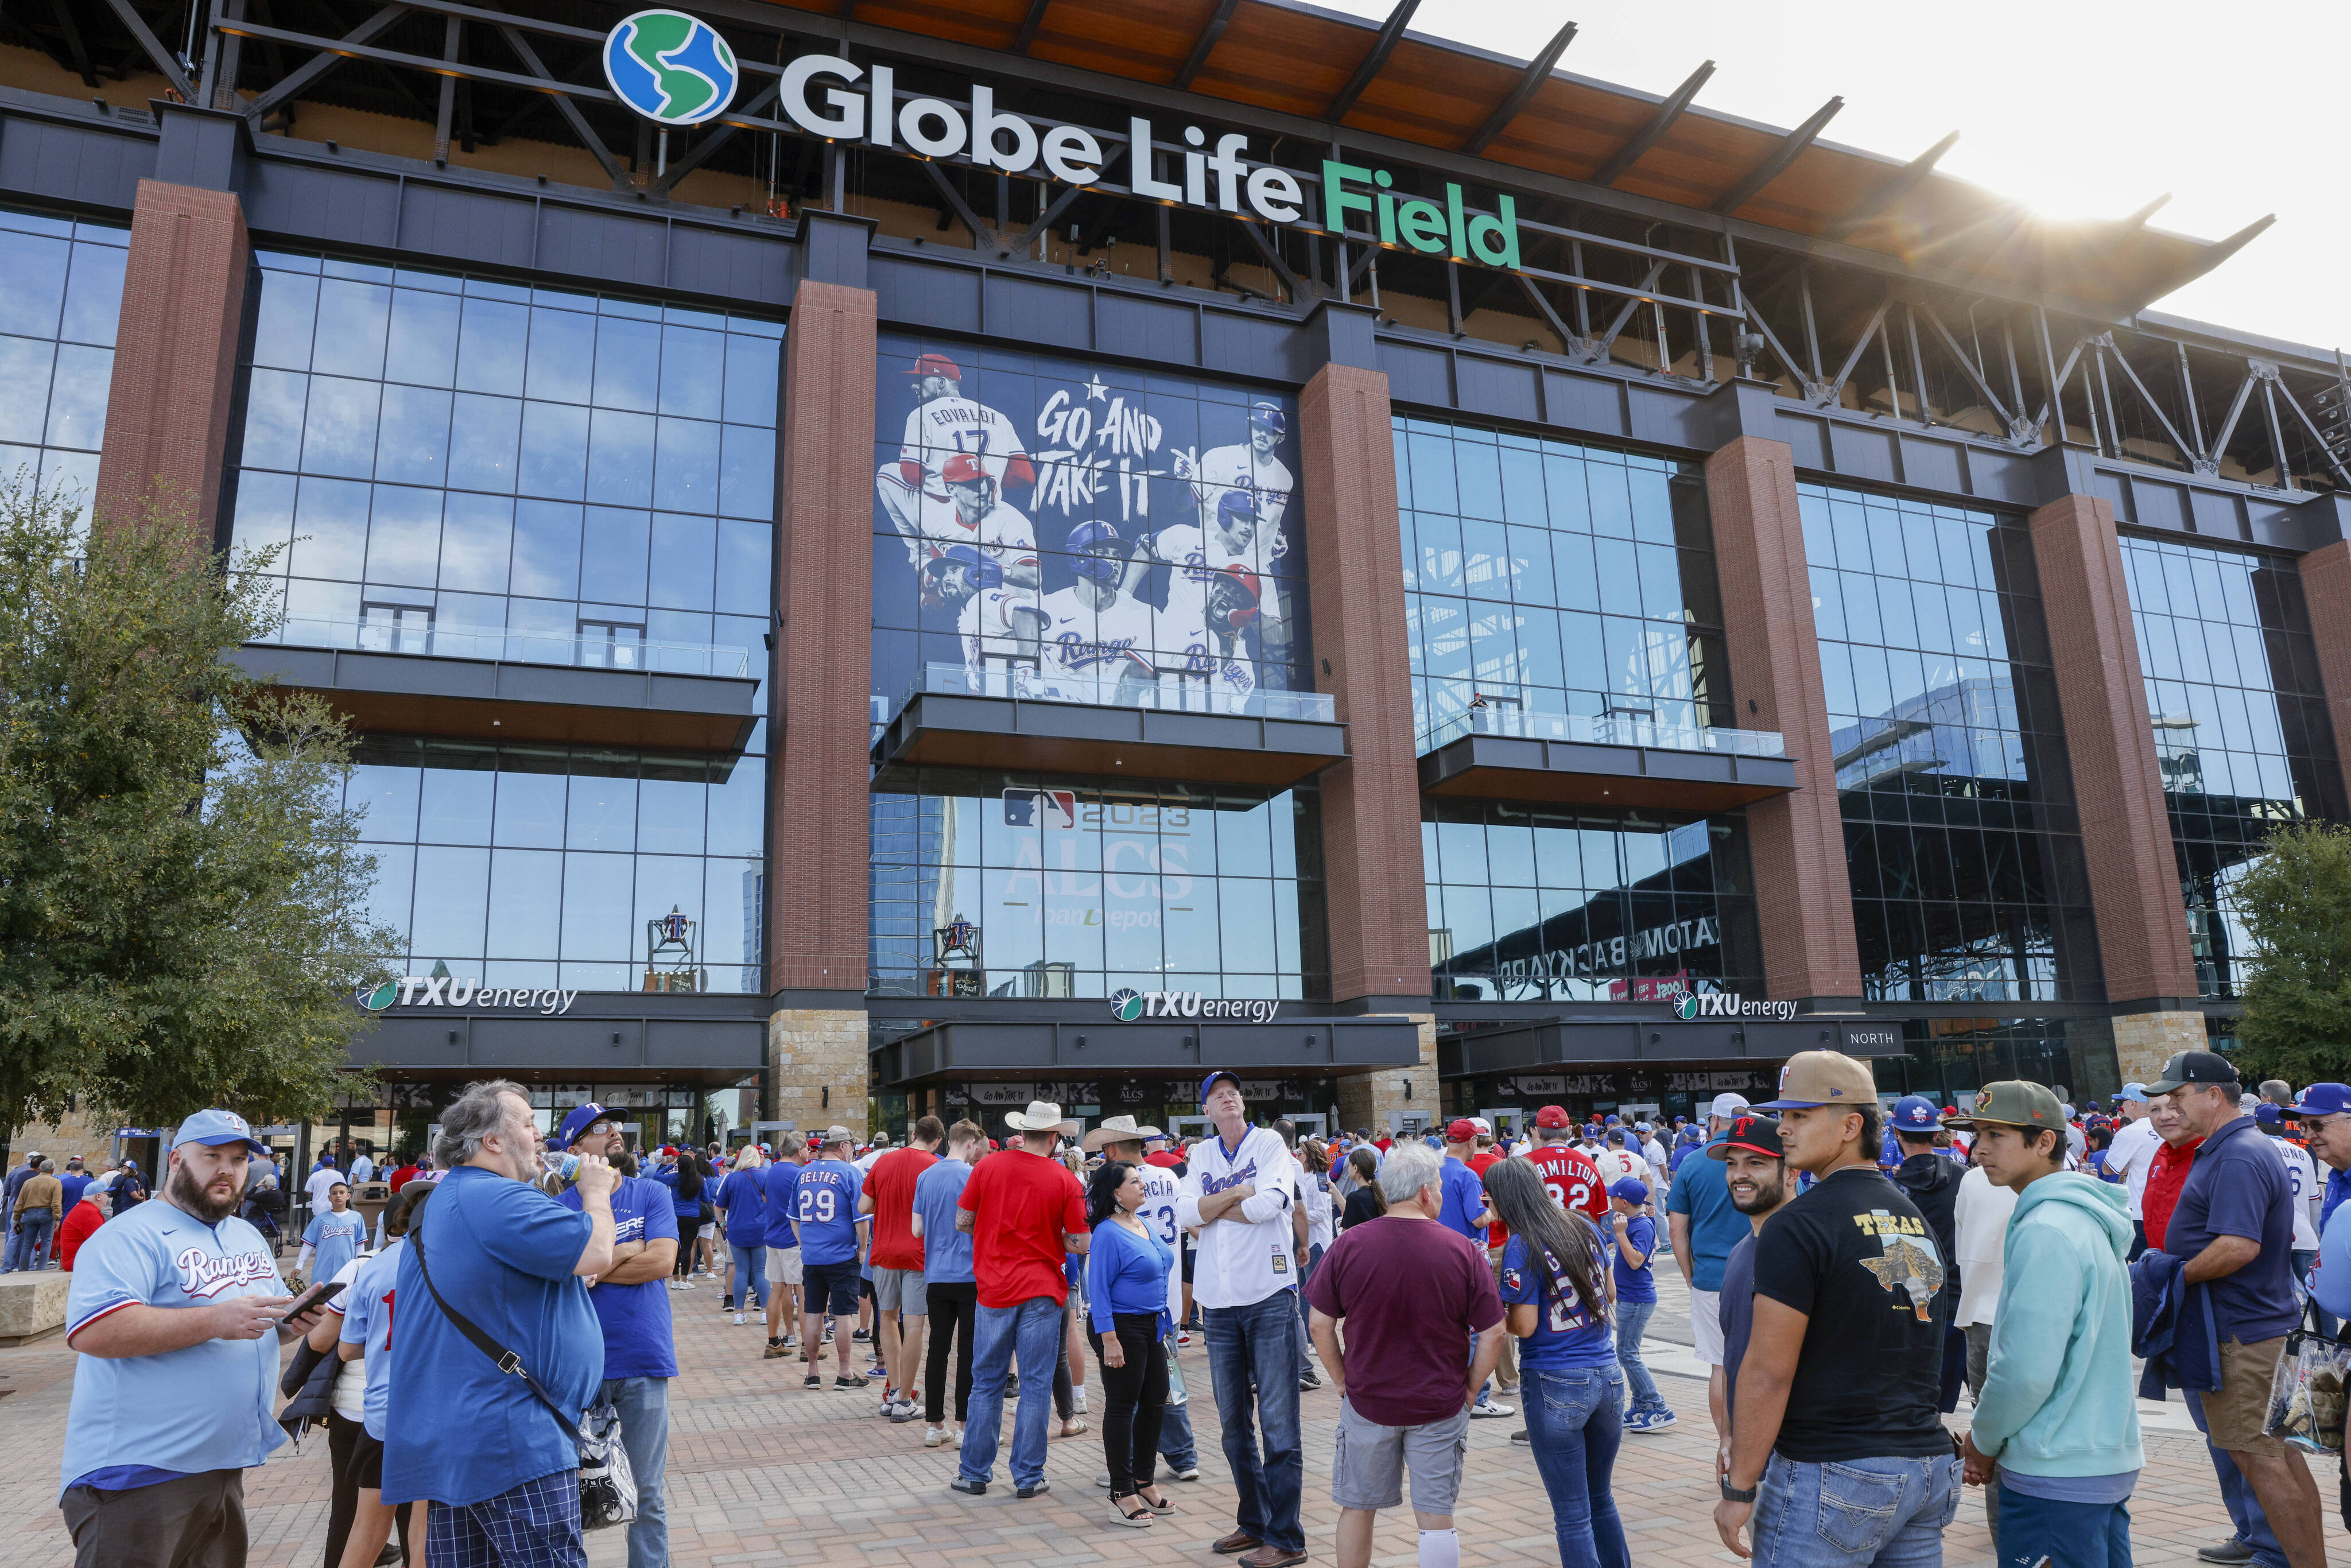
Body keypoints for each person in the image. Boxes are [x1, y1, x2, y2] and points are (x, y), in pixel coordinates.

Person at [57, 1110, 334, 1567]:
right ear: (176, 1160)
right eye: (212, 1156)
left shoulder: (245, 1234)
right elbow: (94, 1330)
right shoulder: (128, 1236)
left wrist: (291, 1324)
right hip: (138, 1475)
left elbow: (246, 1325)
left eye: (239, 1159)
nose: (227, 1169)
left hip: (222, 1467)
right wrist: (215, 1321)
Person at [1713, 1052, 1956, 1566]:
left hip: (1836, 1467)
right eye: (1783, 1115)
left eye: (1799, 1116)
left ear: (1851, 1125)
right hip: (1924, 1463)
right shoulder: (1910, 1215)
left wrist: (1739, 1489)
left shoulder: (1797, 1224)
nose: (1783, 1129)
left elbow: (1767, 1370)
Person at [382, 1080, 618, 1567]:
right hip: (513, 1442)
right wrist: (596, 1194)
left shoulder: (453, 1200)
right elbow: (598, 1250)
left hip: (466, 1441)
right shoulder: (496, 1199)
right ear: (492, 1141)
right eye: (529, 1124)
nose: (541, 1136)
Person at [2144, 1050, 2326, 1568]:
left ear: (2213, 1095)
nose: (2171, 1106)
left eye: (2178, 1095)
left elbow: (2238, 1247)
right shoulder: (2234, 1147)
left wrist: (2169, 1277)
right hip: (2256, 1329)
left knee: (2266, 1463)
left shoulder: (2238, 1154)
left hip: (2243, 1335)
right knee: (2283, 1460)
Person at [1948, 1082, 2142, 1568]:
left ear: (2045, 1142)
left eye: (1997, 1134)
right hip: (2095, 1456)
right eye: (1977, 1133)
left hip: (2057, 1466)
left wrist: (1982, 1440)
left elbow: (2025, 1370)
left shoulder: (2046, 1228)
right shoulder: (2077, 1217)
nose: (1981, 1148)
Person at [1308, 1143, 1506, 1568]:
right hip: (1440, 1400)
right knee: (1437, 1516)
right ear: (1424, 1192)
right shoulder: (1462, 1251)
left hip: (1368, 1400)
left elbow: (1319, 1325)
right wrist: (1471, 1391)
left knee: (1358, 1507)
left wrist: (1343, 1380)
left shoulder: (1349, 1246)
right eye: (1436, 1185)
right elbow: (1494, 1333)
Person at [1177, 1070, 1308, 1567]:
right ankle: (1254, 1522)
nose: (1227, 1100)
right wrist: (1235, 1194)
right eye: (1217, 1097)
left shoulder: (1271, 1142)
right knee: (1233, 1426)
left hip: (1269, 1295)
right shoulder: (1202, 1155)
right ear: (1207, 1112)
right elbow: (1187, 1212)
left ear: (1243, 1104)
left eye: (1233, 1094)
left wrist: (1214, 1207)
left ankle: (1287, 1536)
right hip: (1219, 1302)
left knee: (1279, 1425)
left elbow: (1271, 1204)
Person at [552, 1103, 679, 1568]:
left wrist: (598, 1264)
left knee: (648, 1495)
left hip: (644, 1360)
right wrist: (629, 1250)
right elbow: (565, 1276)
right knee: (569, 1494)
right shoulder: (561, 1208)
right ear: (576, 1148)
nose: (615, 1133)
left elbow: (663, 1262)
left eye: (615, 1125)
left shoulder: (651, 1194)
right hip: (579, 1368)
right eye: (600, 1129)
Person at [1483, 1154, 1624, 1568]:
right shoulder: (1585, 1226)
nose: (1485, 1203)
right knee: (1601, 1498)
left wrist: (1489, 1311)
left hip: (1555, 1377)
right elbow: (1611, 1293)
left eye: (1489, 1197)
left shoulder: (1522, 1242)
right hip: (1608, 1375)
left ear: (1507, 1198)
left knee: (1572, 1513)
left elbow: (1524, 1326)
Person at [952, 1100, 1089, 1501]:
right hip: (1043, 1289)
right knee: (1035, 1384)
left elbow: (962, 1221)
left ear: (1024, 1132)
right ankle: (1028, 1476)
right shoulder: (1066, 1180)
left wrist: (994, 1226)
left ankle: (974, 1472)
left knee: (987, 1381)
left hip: (994, 1287)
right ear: (1052, 1137)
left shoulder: (988, 1166)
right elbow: (1081, 1242)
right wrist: (1052, 1237)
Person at [313, 1181, 428, 1568]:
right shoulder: (452, 1263)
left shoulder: (373, 1266)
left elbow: (346, 1348)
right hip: (428, 1413)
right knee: (422, 1530)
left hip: (377, 1413)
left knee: (365, 1526)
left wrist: (385, 1343)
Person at [1085, 1115, 1202, 1486]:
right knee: (1164, 1387)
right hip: (1151, 1302)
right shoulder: (1168, 1177)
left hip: (1149, 1308)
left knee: (1146, 1394)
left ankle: (1135, 1466)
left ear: (1113, 1149)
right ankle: (1177, 1458)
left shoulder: (1126, 1194)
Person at [1086, 1160, 1178, 1527]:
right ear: (1116, 1192)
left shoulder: (1142, 1224)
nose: (1143, 1187)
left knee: (1155, 1402)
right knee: (1123, 1405)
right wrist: (1109, 1339)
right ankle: (1122, 1490)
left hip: (1152, 1325)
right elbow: (1099, 1289)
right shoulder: (1108, 1232)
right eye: (1135, 1182)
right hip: (1120, 1327)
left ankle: (1144, 1479)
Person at [1666, 1092, 1752, 1454]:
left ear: (1713, 1122)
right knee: (1765, 1364)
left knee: (1721, 1366)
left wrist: (1689, 1275)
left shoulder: (1692, 1162)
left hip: (1711, 1277)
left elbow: (1676, 1230)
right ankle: (1762, 1450)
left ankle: (1727, 1446)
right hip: (1760, 1275)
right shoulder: (1762, 1158)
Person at [1710, 1114, 1797, 1442]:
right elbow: (1735, 1358)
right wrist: (1729, 1436)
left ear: (1791, 1172)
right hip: (1753, 1447)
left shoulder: (1806, 1249)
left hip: (1796, 1456)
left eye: (1756, 1162)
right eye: (1732, 1163)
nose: (1739, 1175)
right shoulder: (1740, 1252)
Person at [862, 1115, 944, 1423]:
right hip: (917, 1254)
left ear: (913, 1134)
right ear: (938, 1141)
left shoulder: (884, 1161)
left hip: (883, 1251)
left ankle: (894, 1390)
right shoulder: (935, 1166)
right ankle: (905, 1399)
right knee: (914, 1325)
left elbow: (863, 1207)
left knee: (887, 1318)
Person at [1887, 1095, 1964, 1412]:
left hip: (1914, 1306)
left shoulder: (1892, 1190)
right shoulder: (1965, 1177)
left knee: (1916, 1403)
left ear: (1896, 1133)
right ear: (1936, 1133)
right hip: (1962, 1301)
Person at [915, 1120, 985, 1447]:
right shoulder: (973, 1176)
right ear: (971, 1144)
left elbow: (917, 1230)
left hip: (936, 1274)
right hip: (970, 1275)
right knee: (968, 1352)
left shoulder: (926, 1176)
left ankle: (934, 1424)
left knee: (938, 1350)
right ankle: (964, 1426)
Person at [794, 1128, 868, 1392]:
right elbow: (861, 1218)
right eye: (851, 1147)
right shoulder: (849, 1173)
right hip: (842, 1254)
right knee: (845, 1314)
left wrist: (806, 1243)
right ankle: (845, 1372)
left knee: (814, 1311)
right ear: (844, 1146)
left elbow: (794, 1217)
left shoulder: (804, 1173)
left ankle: (813, 1373)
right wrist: (862, 1249)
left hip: (813, 1255)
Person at [1605, 1177, 1673, 1433]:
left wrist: (1620, 1234)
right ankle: (1641, 1406)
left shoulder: (1641, 1225)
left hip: (1637, 1298)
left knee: (1628, 1354)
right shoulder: (1632, 1221)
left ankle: (1658, 1406)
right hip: (1630, 1297)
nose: (1610, 1201)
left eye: (1614, 1197)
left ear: (1623, 1202)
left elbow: (1636, 1261)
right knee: (1626, 1353)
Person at [761, 1139, 804, 1360]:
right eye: (807, 1148)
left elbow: (765, 1197)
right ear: (799, 1150)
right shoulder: (798, 1173)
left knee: (777, 1289)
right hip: (793, 1238)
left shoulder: (772, 1170)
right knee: (803, 1290)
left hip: (773, 1237)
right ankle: (809, 1345)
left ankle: (773, 1342)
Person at [716, 1142, 766, 1325]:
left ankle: (739, 1312)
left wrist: (722, 1223)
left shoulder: (731, 1178)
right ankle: (765, 1312)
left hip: (736, 1230)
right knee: (761, 1271)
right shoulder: (764, 1176)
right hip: (761, 1229)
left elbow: (718, 1206)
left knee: (741, 1271)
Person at [297, 1182, 366, 1288]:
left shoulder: (357, 1217)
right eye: (334, 1193)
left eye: (342, 1192)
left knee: (344, 1300)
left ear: (348, 1196)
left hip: (347, 1269)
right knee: (320, 1300)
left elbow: (359, 1245)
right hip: (322, 1269)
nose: (338, 1195)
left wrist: (361, 1265)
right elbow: (308, 1245)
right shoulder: (320, 1219)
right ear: (329, 1197)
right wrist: (299, 1266)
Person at [8, 1156, 62, 1272]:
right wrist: (58, 1218)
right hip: (47, 1214)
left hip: (29, 1214)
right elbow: (56, 1203)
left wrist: (17, 1219)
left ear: (40, 1169)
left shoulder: (28, 1182)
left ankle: (23, 1269)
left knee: (27, 1244)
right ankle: (41, 1269)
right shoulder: (55, 1182)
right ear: (52, 1170)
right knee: (46, 1243)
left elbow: (20, 1202)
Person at [57, 1175, 108, 1271]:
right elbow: (100, 1244)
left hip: (75, 1260)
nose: (108, 1199)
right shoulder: (90, 1213)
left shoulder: (84, 1208)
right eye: (107, 1195)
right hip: (78, 1262)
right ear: (98, 1197)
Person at [1340, 1147, 1386, 1229]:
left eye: (1349, 1165)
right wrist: (1335, 1192)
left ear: (1355, 1168)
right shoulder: (1379, 1193)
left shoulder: (1355, 1198)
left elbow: (1347, 1232)